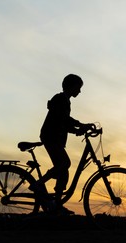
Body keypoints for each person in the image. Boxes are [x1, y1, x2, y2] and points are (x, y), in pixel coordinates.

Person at [30, 74, 93, 214]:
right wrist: (80, 125)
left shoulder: (65, 100)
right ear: (71, 86)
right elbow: (62, 118)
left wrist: (77, 130)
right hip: (50, 137)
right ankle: (38, 184)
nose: (80, 91)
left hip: (56, 138)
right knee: (64, 164)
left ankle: (57, 205)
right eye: (78, 88)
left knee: (63, 170)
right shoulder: (60, 99)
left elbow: (63, 123)